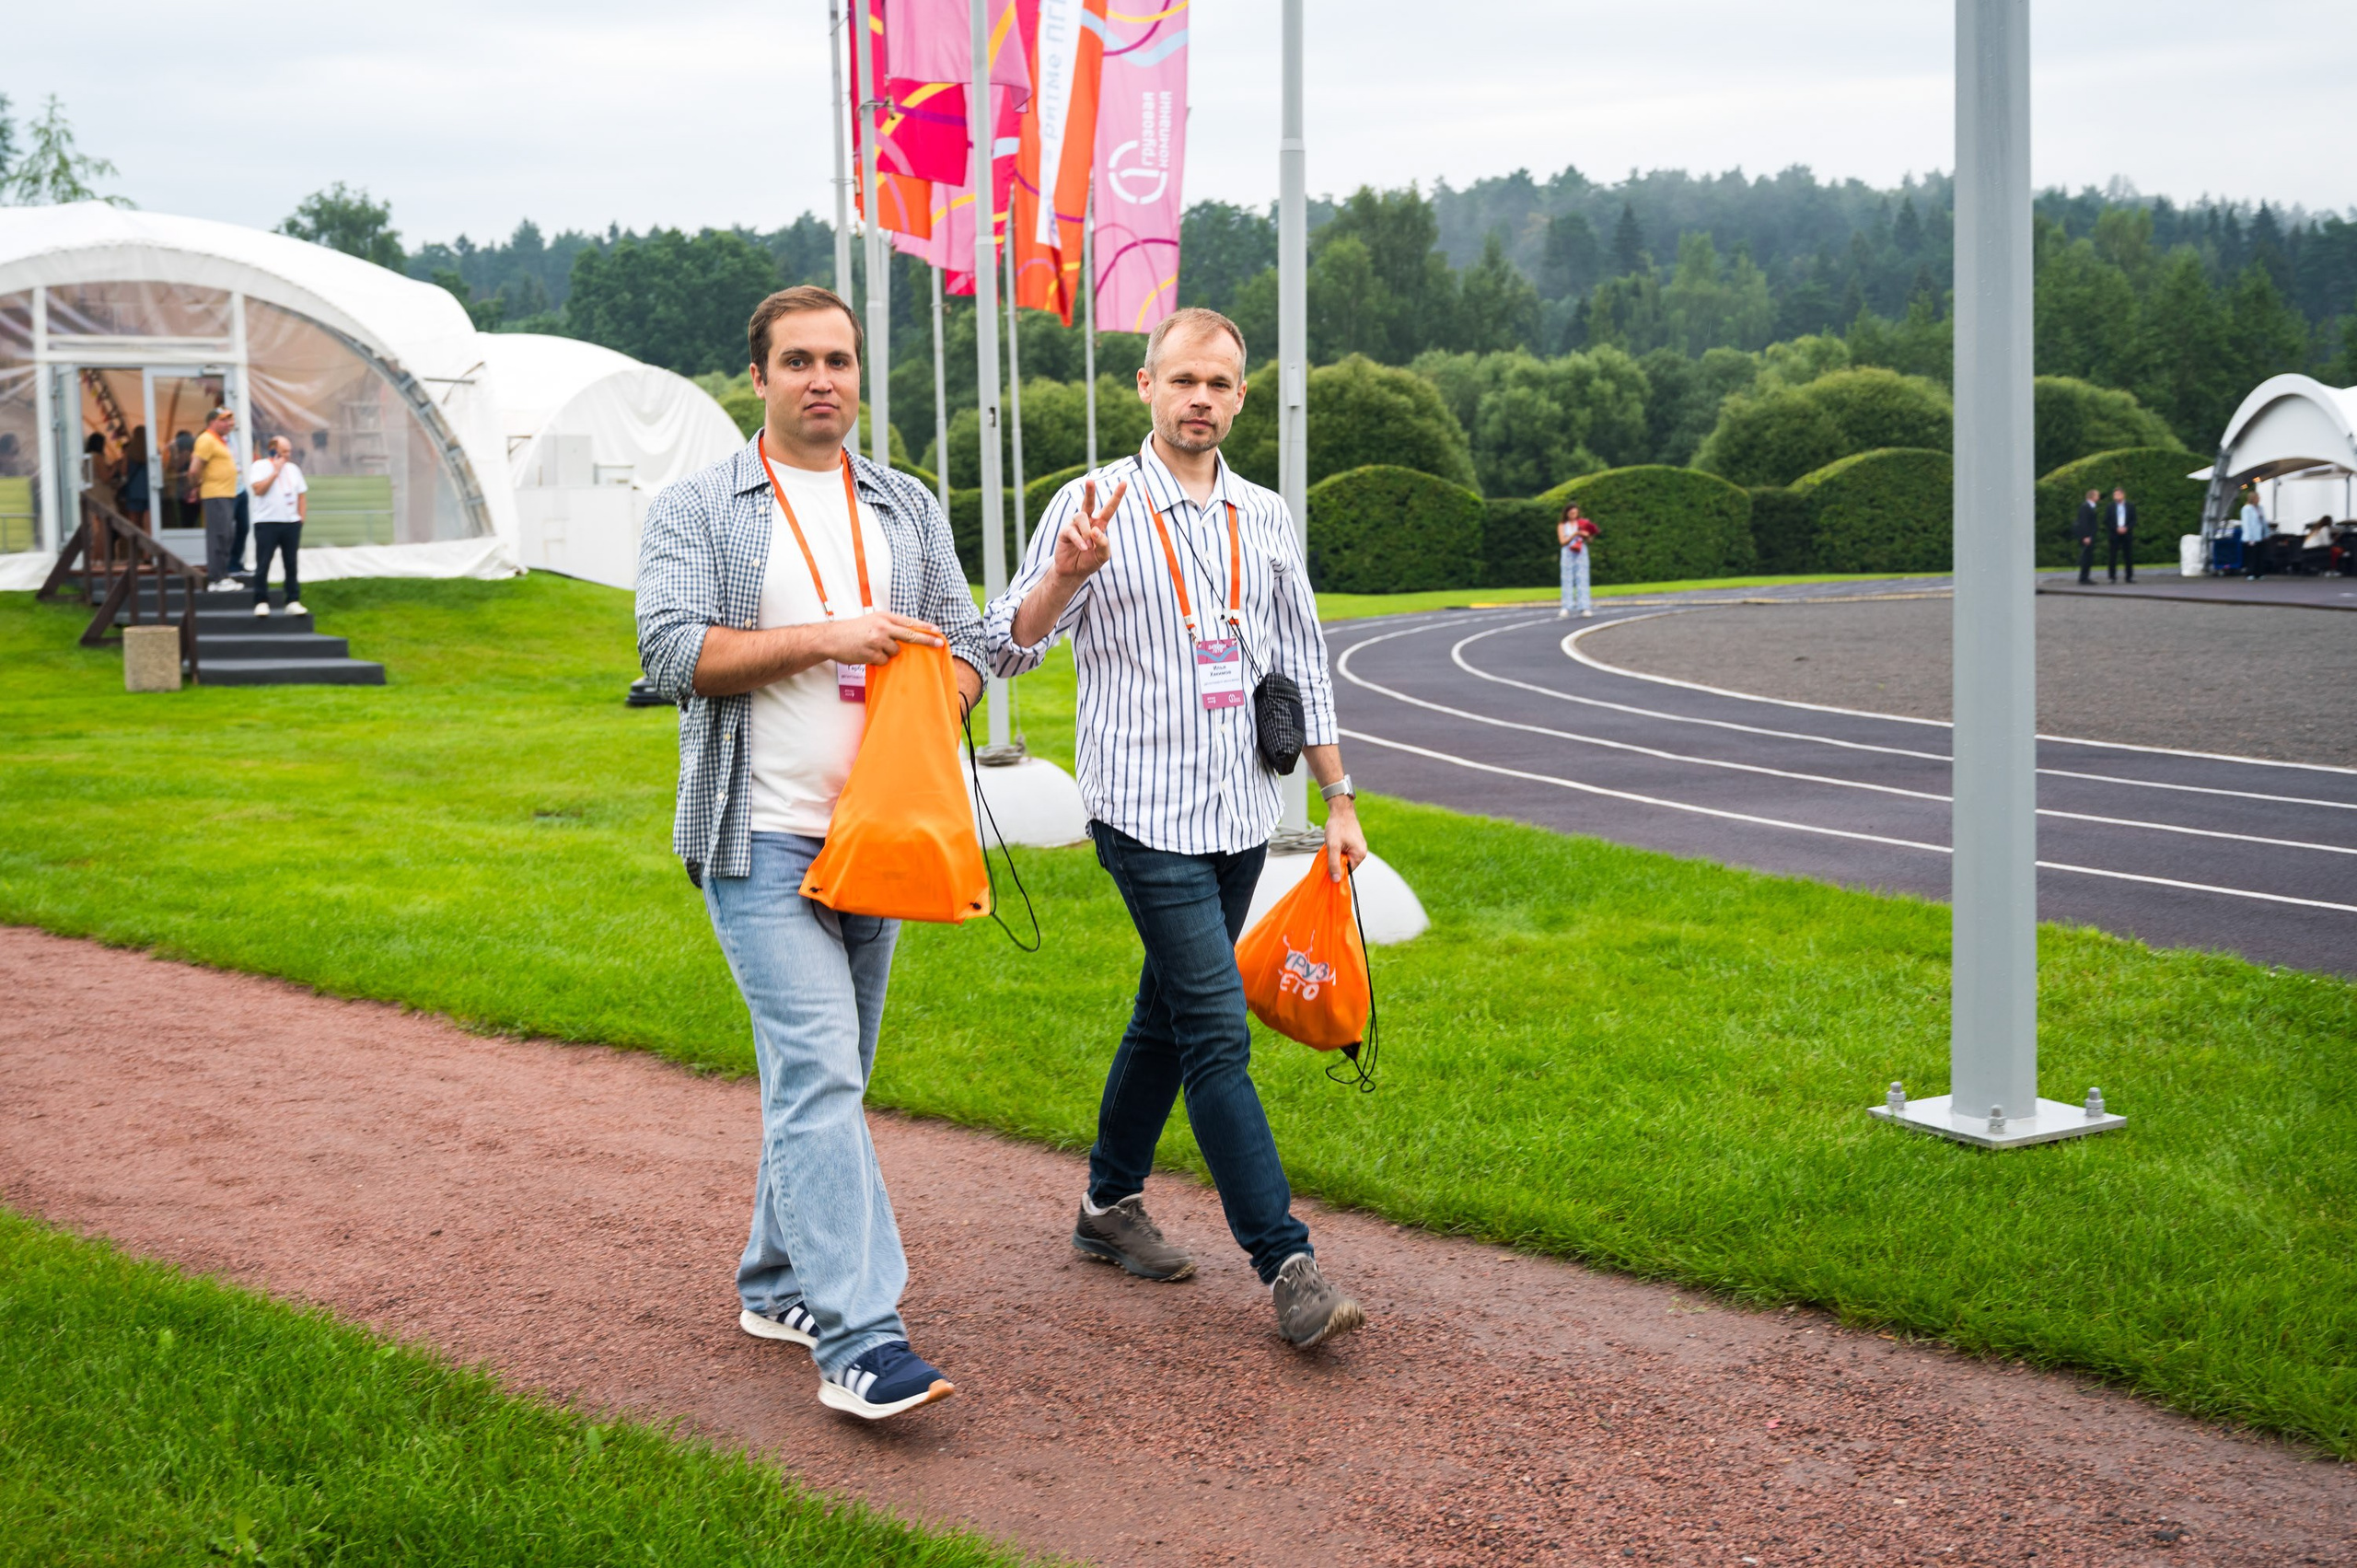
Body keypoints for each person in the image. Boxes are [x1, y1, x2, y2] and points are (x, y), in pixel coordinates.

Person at [985, 306, 1371, 1351]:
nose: (1200, 398)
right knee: (1214, 1028)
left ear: (1241, 396)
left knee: (1164, 1015)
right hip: (1142, 811)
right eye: (1182, 380)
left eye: (1220, 384)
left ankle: (1107, 1206)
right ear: (1145, 384)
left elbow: (1302, 664)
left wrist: (1337, 799)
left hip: (1244, 806)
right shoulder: (1092, 502)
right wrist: (1067, 571)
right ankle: (1286, 1262)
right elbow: (1007, 648)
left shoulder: (1264, 516)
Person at [636, 285, 984, 1423]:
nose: (822, 377)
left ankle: (776, 1282)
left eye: (839, 358)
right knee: (822, 1071)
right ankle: (860, 1338)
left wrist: (944, 695)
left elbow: (966, 643)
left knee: (826, 1078)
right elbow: (672, 649)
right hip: (756, 833)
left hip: (880, 832)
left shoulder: (904, 505)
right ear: (760, 377)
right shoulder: (702, 504)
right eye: (799, 360)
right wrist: (829, 637)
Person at [248, 436, 308, 617]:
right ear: (273, 450)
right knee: (263, 563)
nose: (288, 455)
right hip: (267, 522)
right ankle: (261, 600)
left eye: (289, 451)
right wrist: (275, 472)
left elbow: (302, 495)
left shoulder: (294, 469)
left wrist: (300, 519)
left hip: (291, 523)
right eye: (284, 452)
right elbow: (259, 490)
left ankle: (292, 599)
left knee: (291, 563)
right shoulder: (259, 466)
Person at [188, 407, 242, 588]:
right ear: (212, 422)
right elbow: (194, 469)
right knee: (219, 535)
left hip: (225, 493)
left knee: (226, 535)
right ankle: (216, 578)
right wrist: (196, 485)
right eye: (224, 420)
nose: (228, 424)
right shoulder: (206, 439)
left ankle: (222, 575)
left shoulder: (219, 441)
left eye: (229, 420)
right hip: (215, 494)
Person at [1557, 503, 1598, 619]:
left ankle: (1584, 606)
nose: (1573, 515)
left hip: (1581, 552)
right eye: (1571, 513)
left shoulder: (1582, 523)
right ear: (1566, 514)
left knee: (1583, 578)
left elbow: (1590, 540)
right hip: (1567, 552)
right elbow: (1562, 541)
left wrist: (1587, 535)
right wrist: (1575, 534)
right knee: (1567, 578)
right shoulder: (1562, 525)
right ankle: (1566, 606)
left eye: (1575, 513)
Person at [118, 426, 151, 530]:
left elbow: (123, 471)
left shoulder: (129, 450)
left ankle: (135, 546)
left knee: (134, 523)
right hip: (149, 489)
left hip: (133, 490)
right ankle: (149, 545)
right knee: (149, 522)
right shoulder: (151, 449)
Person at [2106, 485, 2137, 583]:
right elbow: (2107, 520)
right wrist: (2116, 528)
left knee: (2128, 555)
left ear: (2123, 495)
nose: (2116, 496)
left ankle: (2129, 576)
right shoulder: (2110, 507)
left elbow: (2134, 520)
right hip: (2114, 534)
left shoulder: (2130, 506)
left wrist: (2126, 528)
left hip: (2126, 533)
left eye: (2118, 494)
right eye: (2115, 494)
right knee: (2113, 556)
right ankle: (2112, 577)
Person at [2239, 488, 2270, 580]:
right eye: (2257, 497)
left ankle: (2259, 573)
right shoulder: (2247, 509)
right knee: (2251, 556)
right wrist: (2249, 537)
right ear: (2253, 498)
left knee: (2259, 555)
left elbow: (2263, 521)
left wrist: (2266, 533)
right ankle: (2250, 572)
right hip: (2251, 536)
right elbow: (2246, 523)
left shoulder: (2260, 508)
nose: (2259, 499)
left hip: (2260, 534)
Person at [2073, 487, 2102, 584]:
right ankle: (2083, 578)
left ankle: (2085, 577)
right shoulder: (2085, 507)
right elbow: (2084, 523)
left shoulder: (2089, 507)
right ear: (2092, 496)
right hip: (2087, 537)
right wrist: (2086, 536)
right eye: (2097, 495)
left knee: (2089, 557)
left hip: (2089, 536)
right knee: (2086, 557)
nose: (2099, 497)